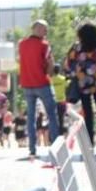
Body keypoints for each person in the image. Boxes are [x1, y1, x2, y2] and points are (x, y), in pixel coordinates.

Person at [65, 22, 96, 154]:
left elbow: (68, 65)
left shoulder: (76, 48)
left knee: (87, 114)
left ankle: (90, 144)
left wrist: (77, 74)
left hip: (83, 85)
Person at [17, 19, 59, 158]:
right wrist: (52, 70)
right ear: (36, 29)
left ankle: (32, 149)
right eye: (44, 29)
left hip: (27, 84)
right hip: (42, 83)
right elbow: (50, 65)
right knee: (52, 115)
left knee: (31, 117)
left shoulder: (21, 44)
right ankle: (55, 146)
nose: (46, 32)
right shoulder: (44, 45)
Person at [50, 64, 68, 135]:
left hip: (55, 101)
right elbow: (67, 85)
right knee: (62, 118)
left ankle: (55, 133)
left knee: (55, 118)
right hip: (63, 101)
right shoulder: (63, 79)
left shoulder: (51, 80)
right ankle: (62, 132)